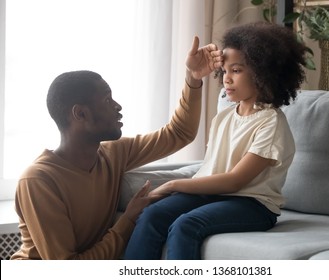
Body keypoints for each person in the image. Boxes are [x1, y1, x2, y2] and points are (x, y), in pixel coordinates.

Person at [10, 36, 224, 260]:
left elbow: (179, 133)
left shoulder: (113, 153)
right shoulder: (39, 181)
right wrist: (128, 221)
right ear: (80, 114)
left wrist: (193, 78)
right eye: (107, 100)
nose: (118, 107)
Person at [124, 22, 307, 260]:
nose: (227, 79)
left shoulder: (270, 123)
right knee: (152, 214)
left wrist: (172, 184)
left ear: (262, 73)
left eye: (237, 70)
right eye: (225, 71)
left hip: (253, 205)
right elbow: (211, 171)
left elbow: (233, 182)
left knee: (186, 225)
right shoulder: (224, 116)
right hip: (214, 195)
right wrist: (193, 74)